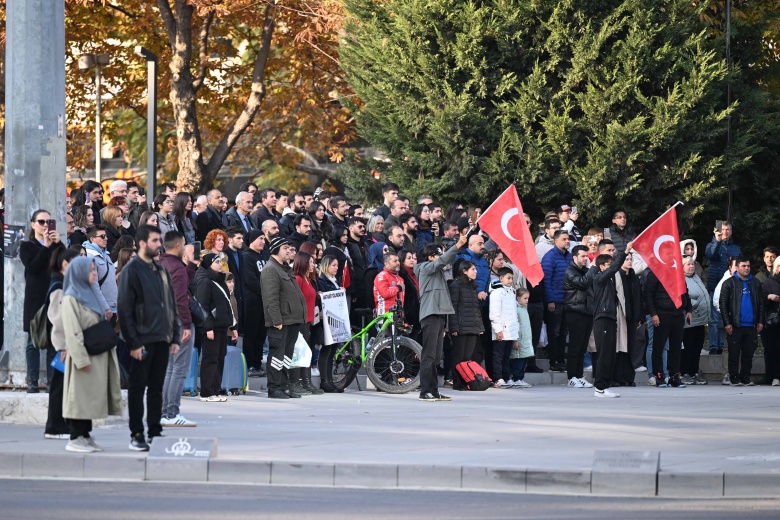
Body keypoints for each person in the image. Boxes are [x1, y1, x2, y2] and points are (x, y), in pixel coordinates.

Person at [118, 225, 182, 451]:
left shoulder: (160, 269)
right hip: (142, 340)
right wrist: (134, 342)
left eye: (159, 240)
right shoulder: (131, 271)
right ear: (142, 243)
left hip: (162, 339)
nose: (159, 244)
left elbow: (170, 303)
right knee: (137, 388)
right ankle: (136, 433)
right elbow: (125, 309)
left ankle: (155, 429)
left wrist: (174, 335)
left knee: (156, 387)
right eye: (155, 240)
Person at [61, 256, 123, 453]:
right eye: (91, 271)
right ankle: (75, 437)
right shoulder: (71, 297)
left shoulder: (88, 294)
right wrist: (81, 360)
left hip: (96, 355)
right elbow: (72, 332)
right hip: (84, 357)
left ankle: (85, 435)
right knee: (79, 398)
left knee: (88, 398)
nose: (94, 274)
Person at [415, 233, 468, 401]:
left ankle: (434, 390)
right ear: (431, 257)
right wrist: (457, 245)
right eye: (439, 254)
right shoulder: (424, 268)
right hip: (430, 315)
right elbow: (442, 261)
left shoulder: (438, 274)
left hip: (439, 316)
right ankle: (425, 391)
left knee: (436, 357)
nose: (442, 257)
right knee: (429, 355)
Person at [21, 209, 65, 392]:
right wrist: (46, 247)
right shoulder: (27, 246)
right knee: (33, 341)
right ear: (33, 225)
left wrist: (58, 243)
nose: (46, 225)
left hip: (54, 298)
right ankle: (32, 380)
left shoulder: (56, 245)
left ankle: (52, 381)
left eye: (49, 221)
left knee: (54, 342)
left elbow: (65, 262)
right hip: (35, 300)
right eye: (41, 222)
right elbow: (33, 268)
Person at [158, 231, 197, 426]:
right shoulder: (177, 268)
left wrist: (191, 265)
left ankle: (165, 412)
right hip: (178, 322)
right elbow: (181, 298)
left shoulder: (161, 264)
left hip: (163, 321)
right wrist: (187, 325)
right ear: (178, 245)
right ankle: (171, 413)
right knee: (179, 369)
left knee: (169, 368)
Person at [261, 237, 308, 399]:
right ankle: (274, 388)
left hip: (292, 320)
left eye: (289, 247)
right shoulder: (270, 269)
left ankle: (283, 385)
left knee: (286, 356)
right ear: (275, 250)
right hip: (281, 321)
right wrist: (276, 320)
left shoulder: (284, 268)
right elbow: (270, 298)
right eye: (285, 248)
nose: (289, 250)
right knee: (277, 355)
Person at [44, 248, 80, 440]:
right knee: (59, 386)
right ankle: (55, 426)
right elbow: (57, 319)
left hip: (64, 345)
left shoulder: (63, 282)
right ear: (65, 264)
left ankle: (59, 424)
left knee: (63, 386)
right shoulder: (58, 285)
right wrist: (63, 347)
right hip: (61, 345)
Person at [644, 259, 693, 389]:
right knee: (658, 347)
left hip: (678, 315)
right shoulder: (655, 273)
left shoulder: (678, 273)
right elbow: (648, 295)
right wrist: (653, 313)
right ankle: (659, 376)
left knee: (676, 348)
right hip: (661, 315)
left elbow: (685, 292)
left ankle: (674, 376)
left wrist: (688, 309)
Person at [196, 253, 237, 402]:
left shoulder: (219, 280)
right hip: (212, 327)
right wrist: (208, 327)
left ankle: (215, 389)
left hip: (221, 326)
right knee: (210, 359)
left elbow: (227, 305)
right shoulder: (205, 281)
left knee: (220, 358)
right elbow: (202, 306)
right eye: (217, 262)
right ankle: (206, 392)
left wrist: (233, 326)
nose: (220, 264)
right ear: (209, 264)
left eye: (221, 261)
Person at [591, 243, 630, 398]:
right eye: (608, 265)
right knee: (604, 354)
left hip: (611, 318)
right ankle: (600, 387)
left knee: (610, 354)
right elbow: (615, 268)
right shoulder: (599, 279)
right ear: (601, 267)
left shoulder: (609, 281)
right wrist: (625, 252)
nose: (611, 267)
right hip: (602, 318)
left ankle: (605, 385)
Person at [720, 257, 765, 386]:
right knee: (734, 353)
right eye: (744, 266)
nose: (746, 268)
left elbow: (761, 304)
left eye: (748, 266)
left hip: (751, 325)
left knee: (748, 354)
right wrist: (727, 322)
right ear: (737, 267)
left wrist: (760, 321)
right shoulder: (729, 283)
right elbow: (723, 304)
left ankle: (745, 377)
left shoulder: (755, 283)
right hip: (735, 325)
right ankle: (734, 377)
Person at [705, 221, 741, 355]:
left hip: (731, 287)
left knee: (724, 317)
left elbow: (740, 266)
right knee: (714, 319)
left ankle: (722, 345)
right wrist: (717, 240)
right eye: (723, 229)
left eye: (728, 230)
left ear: (731, 231)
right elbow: (711, 255)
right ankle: (714, 346)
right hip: (715, 285)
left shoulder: (736, 248)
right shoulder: (712, 245)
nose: (725, 232)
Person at [448, 260, 485, 390]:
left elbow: (476, 309)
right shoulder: (456, 285)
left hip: (472, 327)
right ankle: (457, 382)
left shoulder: (473, 287)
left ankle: (466, 381)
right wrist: (454, 327)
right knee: (458, 357)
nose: (476, 272)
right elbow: (453, 308)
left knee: (467, 357)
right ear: (464, 271)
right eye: (473, 269)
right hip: (461, 327)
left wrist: (480, 327)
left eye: (475, 269)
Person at [563, 244, 595, 388]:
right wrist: (593, 269)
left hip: (587, 312)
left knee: (583, 347)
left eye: (586, 256)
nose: (585, 259)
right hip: (575, 311)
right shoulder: (570, 272)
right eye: (582, 256)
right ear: (574, 257)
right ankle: (572, 377)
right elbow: (582, 284)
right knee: (575, 346)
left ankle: (580, 375)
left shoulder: (586, 271)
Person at [293, 251, 324, 395]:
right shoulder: (298, 279)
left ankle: (306, 382)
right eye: (311, 262)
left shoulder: (308, 279)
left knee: (306, 353)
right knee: (300, 352)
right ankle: (298, 382)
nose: (314, 265)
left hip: (309, 321)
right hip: (300, 321)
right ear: (303, 263)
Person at [541, 230, 572, 373]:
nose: (567, 241)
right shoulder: (550, 257)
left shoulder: (569, 256)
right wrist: (550, 300)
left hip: (567, 300)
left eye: (568, 239)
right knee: (554, 332)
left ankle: (561, 360)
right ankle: (553, 361)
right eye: (564, 239)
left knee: (564, 332)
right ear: (556, 241)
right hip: (556, 301)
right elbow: (546, 281)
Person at [241, 229, 268, 377]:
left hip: (265, 301)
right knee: (251, 334)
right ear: (251, 240)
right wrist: (267, 290)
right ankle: (249, 364)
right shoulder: (246, 256)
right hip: (252, 301)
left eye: (264, 239)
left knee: (261, 335)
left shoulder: (265, 255)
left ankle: (257, 364)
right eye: (260, 239)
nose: (263, 242)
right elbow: (250, 280)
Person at [680, 255, 710, 385]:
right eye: (688, 264)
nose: (691, 266)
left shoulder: (696, 277)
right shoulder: (681, 279)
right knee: (688, 348)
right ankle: (684, 373)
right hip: (689, 321)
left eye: (692, 264)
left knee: (697, 347)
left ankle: (693, 372)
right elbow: (682, 297)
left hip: (700, 320)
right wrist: (694, 304)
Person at [317, 255, 344, 393]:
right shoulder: (322, 281)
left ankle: (330, 380)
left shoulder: (335, 280)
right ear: (326, 266)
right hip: (326, 320)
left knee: (333, 350)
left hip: (335, 320)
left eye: (337, 265)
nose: (336, 268)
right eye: (333, 265)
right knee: (327, 350)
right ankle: (324, 381)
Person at [489, 267, 520, 388]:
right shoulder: (496, 292)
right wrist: (498, 330)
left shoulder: (512, 292)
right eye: (508, 278)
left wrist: (515, 333)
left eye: (511, 278)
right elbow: (494, 313)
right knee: (498, 355)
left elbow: (513, 313)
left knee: (507, 356)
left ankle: (507, 377)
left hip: (510, 330)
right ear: (501, 278)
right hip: (501, 330)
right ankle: (498, 377)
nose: (510, 280)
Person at [84, 225, 117, 320]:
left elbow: (112, 282)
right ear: (92, 239)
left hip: (113, 307)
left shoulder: (106, 255)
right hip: (101, 309)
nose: (106, 238)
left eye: (106, 236)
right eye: (102, 236)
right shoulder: (90, 257)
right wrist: (105, 307)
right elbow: (94, 286)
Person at [761, 257, 780, 386]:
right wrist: (769, 297)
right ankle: (773, 376)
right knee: (773, 350)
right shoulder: (768, 283)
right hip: (773, 323)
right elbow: (759, 300)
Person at [510, 288, 534, 388]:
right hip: (519, 339)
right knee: (518, 360)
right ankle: (516, 378)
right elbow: (515, 325)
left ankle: (520, 378)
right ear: (518, 298)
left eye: (528, 298)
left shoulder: (524, 309)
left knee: (524, 360)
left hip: (526, 340)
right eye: (525, 298)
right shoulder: (516, 309)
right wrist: (515, 340)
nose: (527, 300)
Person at [398, 250, 420, 340]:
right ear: (402, 260)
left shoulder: (413, 274)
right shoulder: (402, 275)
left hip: (415, 314)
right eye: (409, 258)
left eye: (413, 258)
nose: (412, 260)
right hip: (408, 315)